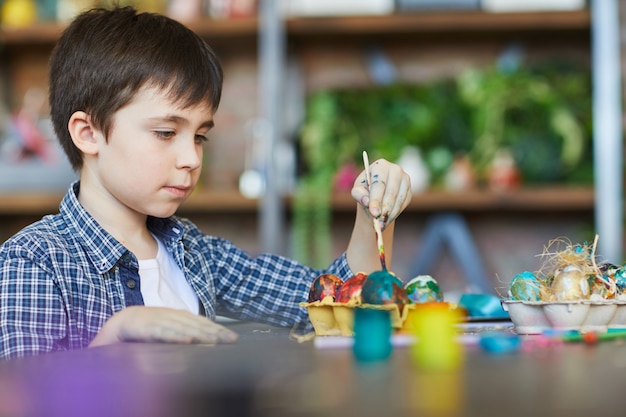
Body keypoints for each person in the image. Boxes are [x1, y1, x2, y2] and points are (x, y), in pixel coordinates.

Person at [0, 6, 412, 360]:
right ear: (88, 133)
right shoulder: (35, 262)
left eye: (199, 136)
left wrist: (375, 211)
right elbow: (22, 398)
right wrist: (114, 335)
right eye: (165, 132)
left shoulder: (194, 253)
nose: (191, 158)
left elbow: (337, 302)